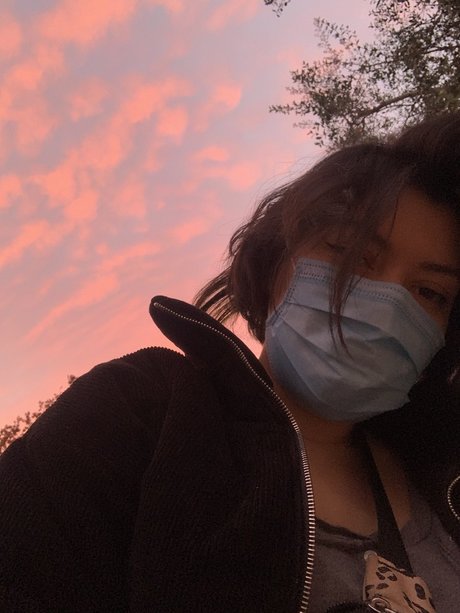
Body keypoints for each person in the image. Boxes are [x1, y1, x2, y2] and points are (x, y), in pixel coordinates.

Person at [2, 113, 460, 613]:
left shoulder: (441, 468)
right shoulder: (135, 415)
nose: (388, 303)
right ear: (277, 257)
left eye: (430, 291)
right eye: (350, 253)